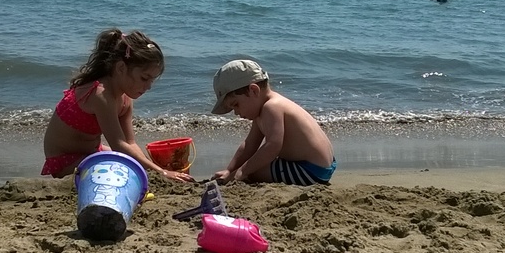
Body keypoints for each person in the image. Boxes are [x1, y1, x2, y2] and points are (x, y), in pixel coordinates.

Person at [42, 28, 193, 182]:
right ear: (121, 68)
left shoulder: (125, 99)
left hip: (91, 152)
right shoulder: (100, 95)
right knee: (121, 165)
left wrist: (156, 171)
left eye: (152, 80)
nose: (148, 86)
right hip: (64, 161)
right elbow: (119, 145)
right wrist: (162, 172)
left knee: (130, 164)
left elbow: (130, 143)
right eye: (144, 78)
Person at [209, 59, 336, 186]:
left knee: (251, 172)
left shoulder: (272, 107)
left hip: (309, 171)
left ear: (254, 90)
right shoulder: (262, 111)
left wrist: (241, 171)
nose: (236, 112)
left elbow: (273, 146)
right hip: (319, 167)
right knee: (249, 167)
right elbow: (249, 144)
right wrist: (230, 170)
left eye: (236, 105)